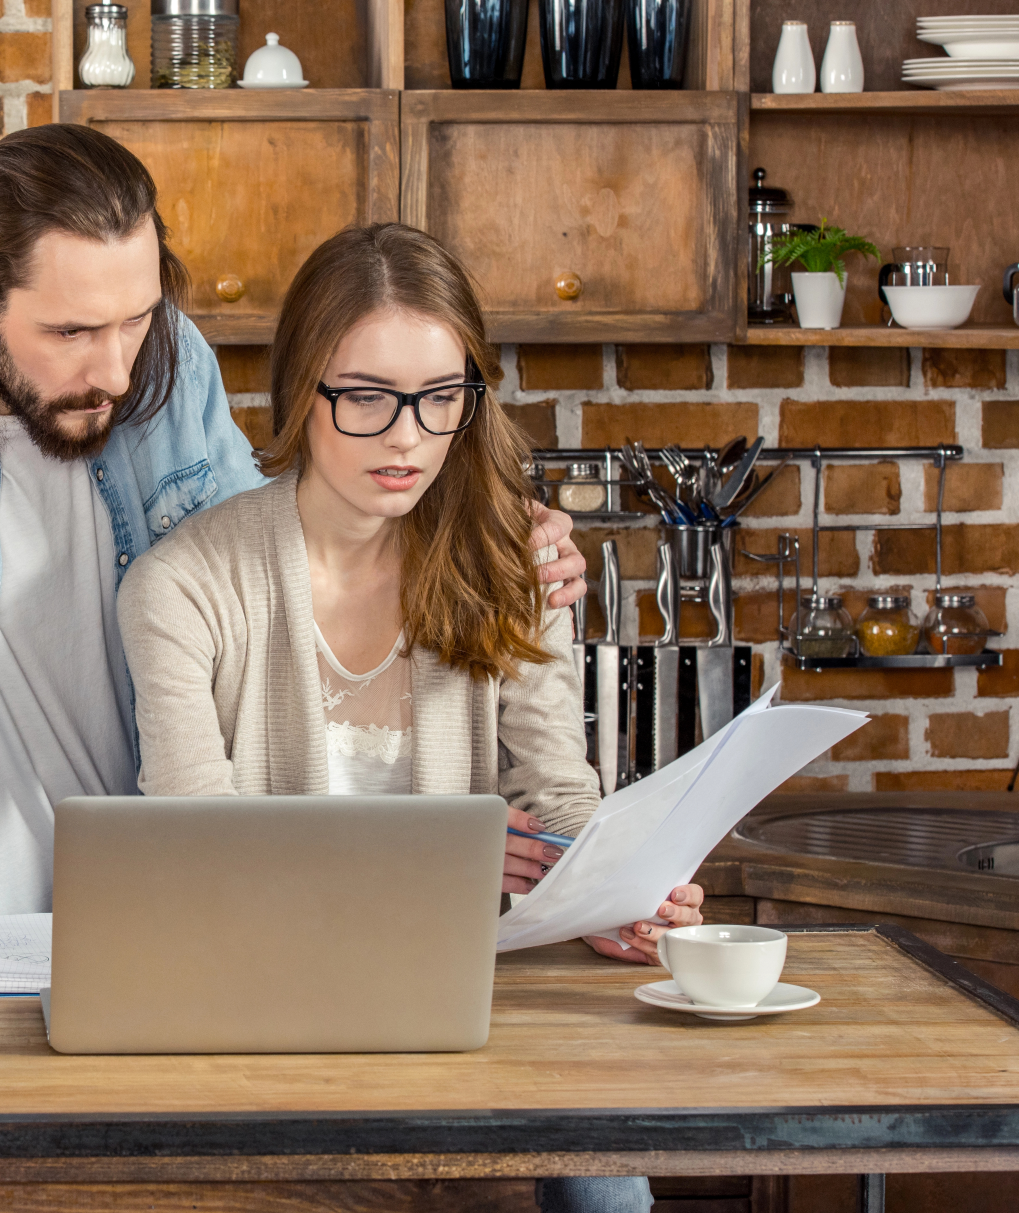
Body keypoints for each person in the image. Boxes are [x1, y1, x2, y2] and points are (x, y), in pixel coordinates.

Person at [0, 125, 589, 926]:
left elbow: (253, 566)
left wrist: (485, 530)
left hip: (154, 914)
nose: (114, 369)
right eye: (71, 330)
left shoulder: (167, 366)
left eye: (136, 317)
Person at [119, 223, 701, 1213]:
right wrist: (450, 858)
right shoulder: (182, 584)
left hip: (478, 994)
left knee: (609, 1192)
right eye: (366, 398)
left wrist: (613, 888)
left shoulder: (509, 562)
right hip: (268, 1010)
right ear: (302, 390)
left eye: (440, 399)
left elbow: (555, 790)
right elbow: (196, 859)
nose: (406, 438)